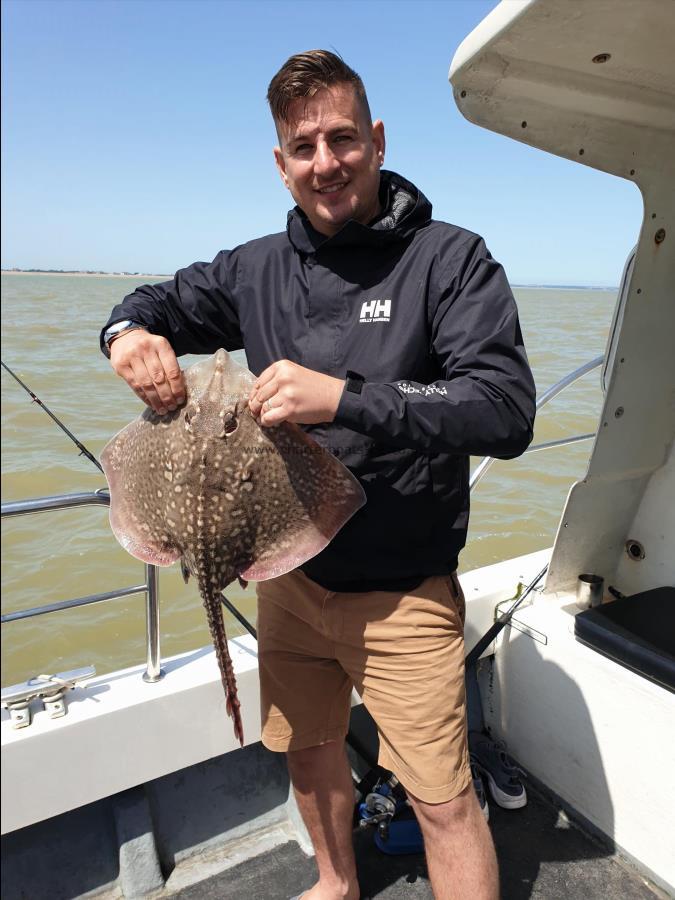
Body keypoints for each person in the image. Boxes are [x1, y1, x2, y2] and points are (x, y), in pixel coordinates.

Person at [100, 50, 536, 900]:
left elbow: (503, 410)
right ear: (281, 162)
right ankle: (335, 881)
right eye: (303, 146)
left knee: (441, 799)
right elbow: (153, 302)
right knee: (305, 749)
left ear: (374, 140)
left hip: (402, 591)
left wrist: (346, 397)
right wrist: (126, 334)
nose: (325, 161)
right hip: (288, 581)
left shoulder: (450, 261)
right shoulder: (255, 268)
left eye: (342, 138)